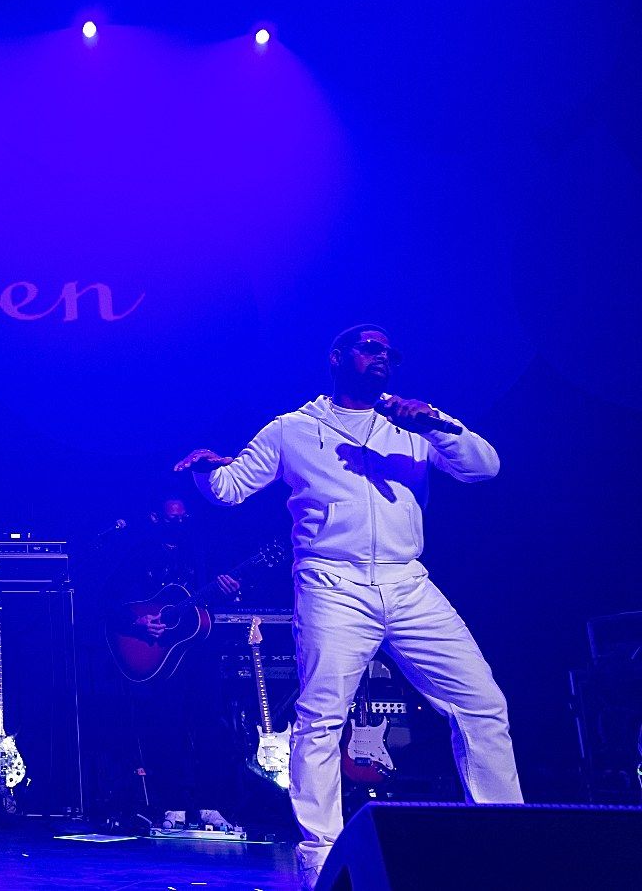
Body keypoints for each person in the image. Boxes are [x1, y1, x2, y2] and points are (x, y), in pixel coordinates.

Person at [175, 325, 521, 889]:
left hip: (409, 582)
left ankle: (507, 842)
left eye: (389, 352)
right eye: (370, 347)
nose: (382, 357)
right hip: (333, 583)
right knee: (321, 718)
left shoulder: (411, 422)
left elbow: (486, 467)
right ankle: (323, 859)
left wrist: (436, 424)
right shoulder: (294, 429)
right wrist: (200, 471)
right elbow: (232, 487)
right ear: (337, 358)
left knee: (483, 704)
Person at [114, 494, 243, 835]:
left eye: (185, 518)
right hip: (161, 654)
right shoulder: (139, 554)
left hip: (198, 650)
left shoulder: (200, 551)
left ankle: (211, 805)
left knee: (208, 726)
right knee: (166, 726)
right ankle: (170, 804)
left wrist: (227, 589)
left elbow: (216, 591)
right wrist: (140, 623)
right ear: (156, 518)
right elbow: (112, 604)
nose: (181, 523)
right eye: (174, 518)